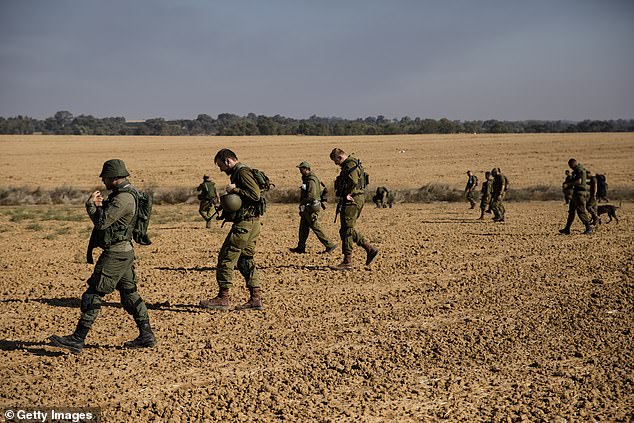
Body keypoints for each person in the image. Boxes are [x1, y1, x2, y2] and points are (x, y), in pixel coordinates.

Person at [50, 159, 156, 354]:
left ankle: (77, 338)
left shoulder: (123, 198)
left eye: (105, 177)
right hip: (124, 252)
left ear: (114, 177)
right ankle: (146, 335)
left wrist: (91, 206)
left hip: (116, 254)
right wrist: (101, 206)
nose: (103, 180)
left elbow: (102, 222)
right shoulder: (124, 195)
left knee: (93, 293)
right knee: (130, 294)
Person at [200, 149, 264, 311]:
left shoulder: (242, 173)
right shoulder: (240, 173)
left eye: (221, 165)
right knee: (245, 259)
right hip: (252, 223)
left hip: (245, 224)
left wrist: (233, 190)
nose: (221, 169)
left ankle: (223, 298)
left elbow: (254, 195)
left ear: (228, 160)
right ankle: (255, 298)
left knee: (226, 257)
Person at [329, 148, 379, 270]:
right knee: (346, 229)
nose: (336, 164)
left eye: (336, 161)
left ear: (340, 157)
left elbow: (353, 180)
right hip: (356, 198)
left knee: (347, 229)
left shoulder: (350, 164)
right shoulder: (352, 163)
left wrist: (347, 193)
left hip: (353, 199)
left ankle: (347, 261)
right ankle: (369, 248)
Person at [559, 158, 593, 235]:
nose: (570, 167)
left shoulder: (579, 170)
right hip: (576, 193)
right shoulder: (578, 170)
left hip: (580, 193)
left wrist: (568, 184)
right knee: (571, 211)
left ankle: (589, 228)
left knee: (581, 211)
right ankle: (567, 229)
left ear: (572, 164)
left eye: (570, 165)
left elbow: (579, 181)